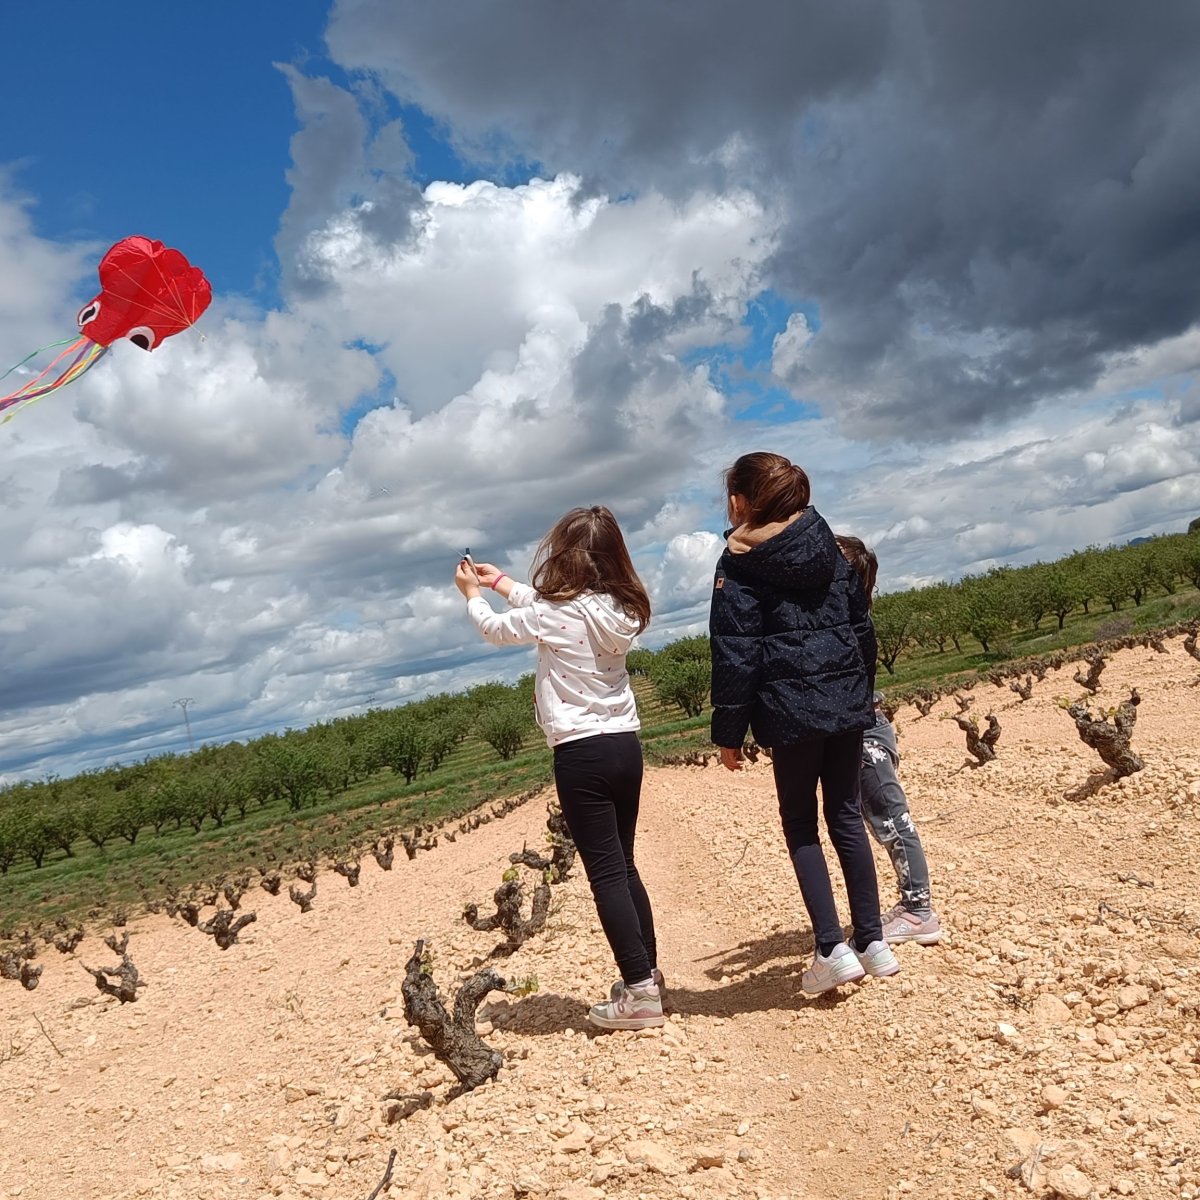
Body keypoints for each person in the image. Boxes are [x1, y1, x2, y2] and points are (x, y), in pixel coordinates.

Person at [454, 505, 664, 1030]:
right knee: (627, 864)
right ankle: (650, 976)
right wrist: (500, 580)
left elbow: (497, 631)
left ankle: (638, 994)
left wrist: (474, 597)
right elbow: (546, 606)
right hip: (624, 745)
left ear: (565, 557)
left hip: (581, 753)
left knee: (606, 873)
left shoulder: (558, 612)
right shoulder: (621, 608)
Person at [710, 451, 899, 994]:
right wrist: (859, 697)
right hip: (844, 705)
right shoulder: (831, 549)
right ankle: (872, 939)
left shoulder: (739, 563)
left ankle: (830, 948)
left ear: (741, 501)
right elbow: (863, 629)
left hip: (790, 714)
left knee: (800, 825)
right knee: (844, 814)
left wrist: (729, 732)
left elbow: (736, 653)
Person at [835, 535, 942, 946]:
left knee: (893, 820)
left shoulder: (849, 627)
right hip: (866, 728)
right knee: (882, 819)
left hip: (865, 734)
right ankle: (913, 906)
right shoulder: (853, 621)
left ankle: (919, 911)